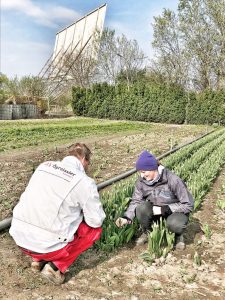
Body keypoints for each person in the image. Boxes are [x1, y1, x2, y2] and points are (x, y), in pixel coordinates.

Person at [10, 143, 105, 285]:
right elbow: (96, 220)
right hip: (47, 247)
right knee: (94, 230)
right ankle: (55, 268)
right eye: (88, 163)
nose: (87, 167)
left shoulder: (44, 166)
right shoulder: (84, 181)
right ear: (84, 159)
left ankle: (37, 261)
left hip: (20, 238)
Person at [115, 150, 194, 250]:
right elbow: (136, 201)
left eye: (144, 172)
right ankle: (148, 232)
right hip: (156, 212)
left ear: (152, 168)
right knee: (141, 208)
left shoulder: (172, 179)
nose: (142, 175)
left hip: (174, 212)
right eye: (140, 172)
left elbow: (188, 204)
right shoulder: (141, 182)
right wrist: (127, 218)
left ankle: (178, 236)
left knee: (175, 223)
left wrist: (167, 209)